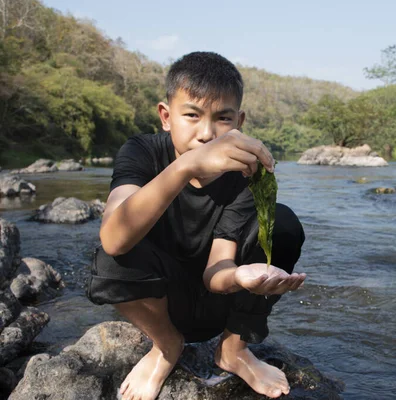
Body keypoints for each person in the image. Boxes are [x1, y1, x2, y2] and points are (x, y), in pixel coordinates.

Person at [86, 51, 307, 400]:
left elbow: (214, 276)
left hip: (220, 301)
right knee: (114, 252)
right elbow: (113, 238)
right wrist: (186, 167)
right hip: (161, 305)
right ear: (166, 116)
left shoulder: (246, 174)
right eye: (191, 115)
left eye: (223, 119)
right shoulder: (141, 151)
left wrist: (240, 275)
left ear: (240, 122)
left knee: (283, 223)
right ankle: (166, 345)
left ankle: (233, 350)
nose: (207, 134)